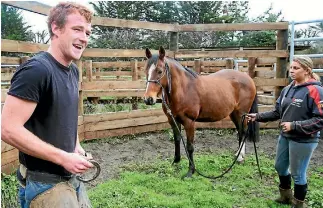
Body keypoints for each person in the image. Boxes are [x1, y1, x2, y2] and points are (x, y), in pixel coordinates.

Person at [1, 2, 94, 207]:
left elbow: (66, 117)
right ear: (55, 28)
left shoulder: (73, 71)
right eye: (77, 29)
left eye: (87, 32)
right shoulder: (37, 71)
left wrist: (75, 148)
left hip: (70, 178)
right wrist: (63, 158)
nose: (84, 38)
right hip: (43, 183)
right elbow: (7, 129)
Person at [247, 56, 322, 208]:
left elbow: (320, 120)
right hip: (285, 136)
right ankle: (286, 196)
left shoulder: (316, 90)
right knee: (280, 167)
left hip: (304, 140)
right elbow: (277, 112)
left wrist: (294, 126)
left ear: (307, 70)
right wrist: (257, 116)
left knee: (298, 174)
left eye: (296, 68)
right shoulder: (288, 89)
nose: (291, 71)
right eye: (291, 67)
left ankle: (298, 204)